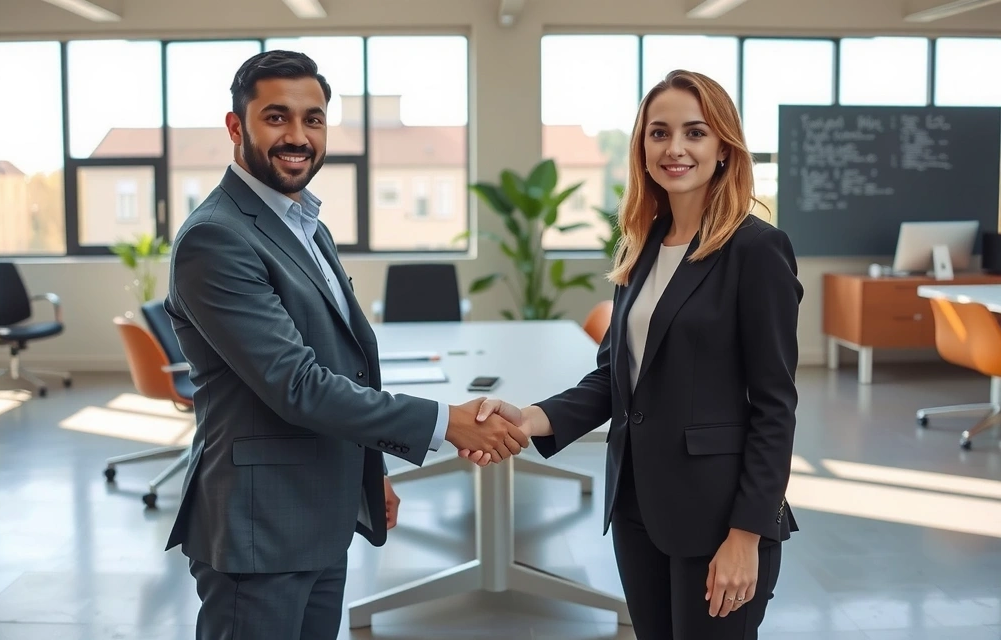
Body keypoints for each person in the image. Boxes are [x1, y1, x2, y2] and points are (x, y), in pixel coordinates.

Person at [163, 49, 528, 640]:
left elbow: (346, 363)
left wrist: (367, 468)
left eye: (313, 119)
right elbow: (297, 384)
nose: (298, 136)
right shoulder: (217, 239)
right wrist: (446, 423)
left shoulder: (305, 222)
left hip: (319, 510)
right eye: (276, 117)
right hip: (261, 526)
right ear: (236, 127)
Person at [464, 69, 803, 640]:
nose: (675, 149)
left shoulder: (757, 250)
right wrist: (528, 417)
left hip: (718, 517)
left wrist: (748, 534)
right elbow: (614, 379)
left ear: (723, 147)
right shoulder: (643, 244)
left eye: (695, 133)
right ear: (641, 147)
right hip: (638, 507)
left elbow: (775, 406)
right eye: (658, 132)